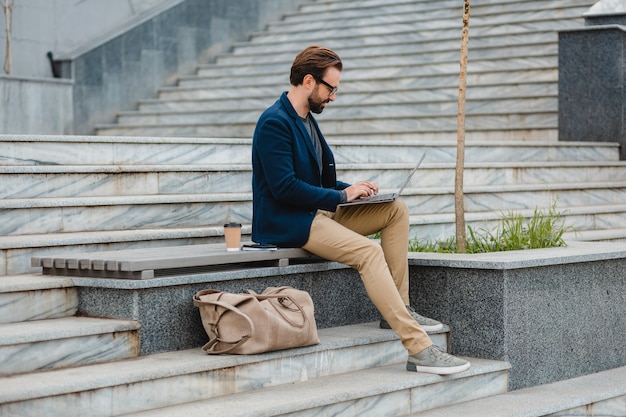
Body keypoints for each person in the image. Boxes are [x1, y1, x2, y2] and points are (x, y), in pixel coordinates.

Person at [251, 45, 470, 375]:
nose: (334, 97)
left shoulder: (306, 119)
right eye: (331, 88)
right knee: (368, 253)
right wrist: (340, 196)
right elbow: (285, 187)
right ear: (309, 81)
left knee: (395, 210)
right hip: (290, 222)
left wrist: (351, 190)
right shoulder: (274, 123)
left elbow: (316, 180)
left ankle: (398, 308)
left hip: (317, 212)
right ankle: (419, 347)